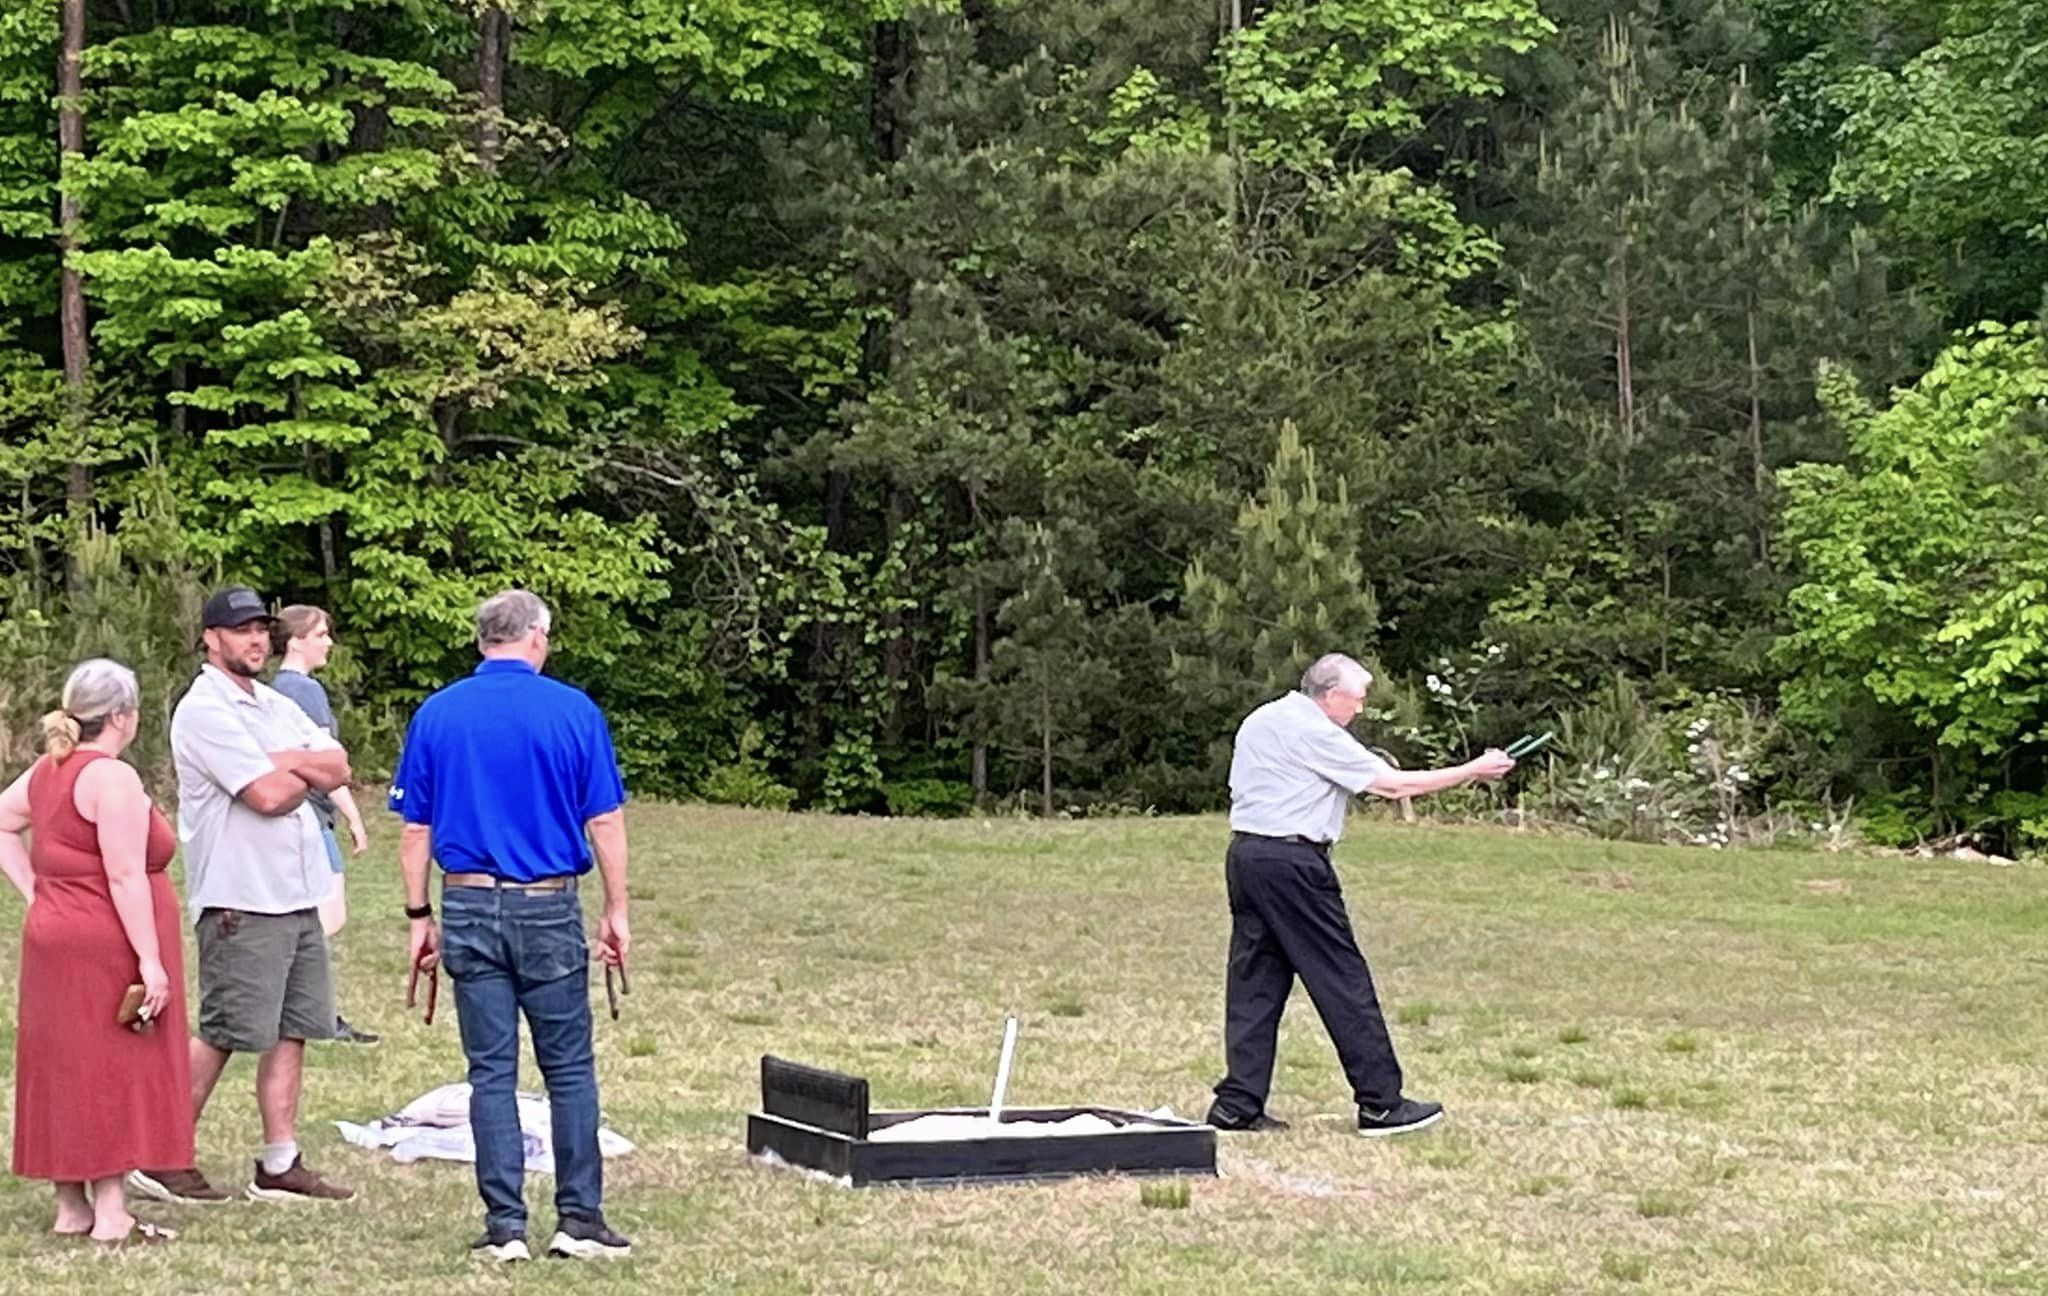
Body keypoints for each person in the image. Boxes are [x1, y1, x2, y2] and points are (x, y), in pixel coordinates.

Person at [392, 589, 631, 1263]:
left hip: (468, 902)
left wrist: (419, 915)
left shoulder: (438, 713)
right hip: (547, 903)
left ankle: (505, 1225)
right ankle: (579, 1216)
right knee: (569, 1068)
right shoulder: (573, 711)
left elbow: (415, 831)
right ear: (536, 637)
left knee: (491, 1071)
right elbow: (604, 818)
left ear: (482, 641)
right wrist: (616, 908)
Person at [1206, 653, 1516, 1137]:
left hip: (1247, 857)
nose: (1361, 708)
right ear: (1331, 695)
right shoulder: (1315, 731)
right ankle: (1381, 1104)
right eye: (1358, 698)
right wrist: (1472, 770)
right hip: (1294, 864)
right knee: (1341, 977)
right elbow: (1392, 786)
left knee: (1255, 981)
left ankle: (1237, 1105)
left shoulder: (1264, 718)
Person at [129, 585, 356, 1206]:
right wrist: (299, 767)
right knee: (227, 1027)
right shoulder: (204, 710)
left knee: (294, 1026)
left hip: (296, 891)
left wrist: (284, 760)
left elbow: (338, 766)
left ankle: (280, 1163)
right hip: (241, 896)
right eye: (241, 630)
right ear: (211, 639)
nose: (256, 640)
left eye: (261, 629)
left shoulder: (272, 702)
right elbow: (267, 796)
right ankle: (160, 1154)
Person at [0, 660, 191, 1246]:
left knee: (63, 1062)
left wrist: (38, 891)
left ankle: (71, 1207)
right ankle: (111, 1213)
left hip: (53, 937)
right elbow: (125, 875)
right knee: (111, 1064)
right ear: (122, 716)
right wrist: (150, 961)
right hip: (104, 940)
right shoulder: (112, 778)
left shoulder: (47, 769)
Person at [270, 604, 378, 1046]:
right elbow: (323, 763)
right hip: (311, 817)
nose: (329, 643)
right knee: (325, 916)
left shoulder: (276, 688)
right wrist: (353, 815)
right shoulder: (304, 690)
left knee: (314, 915)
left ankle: (300, 1009)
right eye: (320, 634)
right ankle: (306, 1011)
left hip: (297, 816)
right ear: (296, 641)